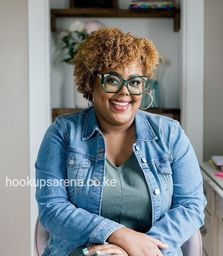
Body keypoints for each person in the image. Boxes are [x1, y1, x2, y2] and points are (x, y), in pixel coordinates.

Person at [36, 27, 206, 256]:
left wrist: (140, 248)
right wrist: (120, 236)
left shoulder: (170, 135)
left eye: (135, 82)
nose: (125, 92)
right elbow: (52, 208)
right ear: (90, 83)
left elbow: (191, 206)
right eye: (112, 80)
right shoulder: (62, 133)